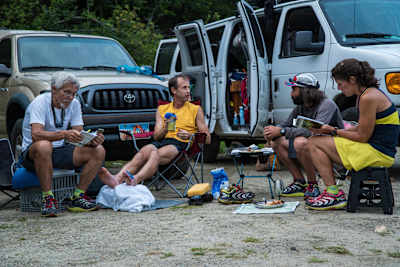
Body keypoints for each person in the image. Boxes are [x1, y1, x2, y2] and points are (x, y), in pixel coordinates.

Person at [305, 59, 400, 210]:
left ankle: (333, 194)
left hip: (377, 153)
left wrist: (334, 131)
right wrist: (330, 130)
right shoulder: (368, 93)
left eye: (340, 83)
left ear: (352, 79)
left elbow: (362, 136)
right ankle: (332, 192)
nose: (338, 88)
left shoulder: (368, 97)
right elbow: (361, 128)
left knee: (313, 142)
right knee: (318, 139)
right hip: (379, 150)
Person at [20, 71, 112, 217]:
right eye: (67, 92)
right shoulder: (40, 102)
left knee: (98, 150)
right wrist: (64, 134)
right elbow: (36, 134)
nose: (70, 97)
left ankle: (77, 197)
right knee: (44, 145)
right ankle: (48, 199)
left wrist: (92, 140)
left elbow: (78, 134)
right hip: (33, 153)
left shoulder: (74, 104)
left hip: (60, 150)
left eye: (73, 93)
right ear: (54, 89)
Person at [98, 74, 211, 186]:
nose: (188, 91)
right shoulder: (163, 109)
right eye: (184, 87)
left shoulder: (195, 109)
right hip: (163, 141)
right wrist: (166, 128)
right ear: (174, 90)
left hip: (181, 144)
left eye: (188, 88)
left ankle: (135, 180)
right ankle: (117, 179)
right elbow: (157, 136)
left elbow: (208, 138)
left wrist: (190, 135)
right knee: (143, 152)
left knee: (155, 154)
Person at [263, 73, 344, 199]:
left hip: (333, 150)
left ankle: (312, 185)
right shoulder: (301, 107)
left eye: (294, 89)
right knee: (277, 142)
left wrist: (282, 132)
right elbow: (285, 125)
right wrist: (272, 131)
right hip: (314, 148)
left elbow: (314, 131)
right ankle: (299, 182)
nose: (291, 94)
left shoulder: (327, 105)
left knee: (301, 142)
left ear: (305, 91)